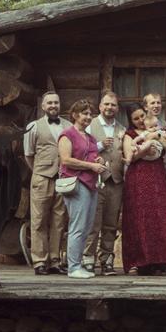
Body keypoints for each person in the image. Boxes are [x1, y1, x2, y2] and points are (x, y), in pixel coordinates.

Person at [121, 103, 166, 275]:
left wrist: (158, 137)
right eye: (135, 118)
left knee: (159, 215)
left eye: (142, 116)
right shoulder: (129, 135)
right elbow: (130, 157)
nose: (139, 121)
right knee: (140, 217)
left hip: (157, 175)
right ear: (130, 120)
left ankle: (160, 260)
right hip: (138, 176)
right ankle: (140, 261)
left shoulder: (159, 130)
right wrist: (144, 150)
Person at [58, 99, 108, 279]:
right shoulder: (67, 135)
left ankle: (77, 264)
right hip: (77, 183)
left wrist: (99, 161)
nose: (88, 117)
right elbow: (66, 159)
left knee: (86, 227)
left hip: (91, 184)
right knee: (78, 226)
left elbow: (94, 156)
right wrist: (90, 166)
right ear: (75, 115)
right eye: (84, 113)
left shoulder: (90, 137)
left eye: (90, 114)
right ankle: (73, 267)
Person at [23, 91, 70, 275]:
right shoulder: (34, 127)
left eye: (56, 103)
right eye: (49, 103)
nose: (53, 106)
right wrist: (40, 171)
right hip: (42, 178)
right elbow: (28, 155)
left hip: (63, 179)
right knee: (39, 220)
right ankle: (40, 261)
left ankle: (55, 261)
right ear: (43, 106)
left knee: (59, 220)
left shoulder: (68, 126)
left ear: (60, 105)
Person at [83, 91, 126, 276]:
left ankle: (107, 260)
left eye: (113, 105)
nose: (110, 108)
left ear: (117, 108)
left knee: (110, 223)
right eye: (106, 104)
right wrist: (99, 146)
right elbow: (80, 149)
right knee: (93, 222)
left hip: (115, 181)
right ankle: (88, 259)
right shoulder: (89, 126)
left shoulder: (122, 129)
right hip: (95, 181)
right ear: (100, 107)